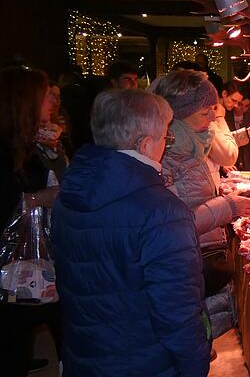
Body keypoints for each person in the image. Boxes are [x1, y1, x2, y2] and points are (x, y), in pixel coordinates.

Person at [52, 89, 211, 377]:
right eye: (166, 137)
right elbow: (177, 313)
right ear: (146, 144)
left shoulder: (70, 193)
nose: (167, 144)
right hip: (147, 363)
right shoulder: (162, 211)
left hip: (85, 356)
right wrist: (195, 366)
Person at [151, 70, 250, 338]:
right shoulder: (165, 153)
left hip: (199, 257)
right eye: (205, 113)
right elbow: (171, 224)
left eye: (213, 109)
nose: (214, 117)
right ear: (180, 114)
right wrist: (228, 207)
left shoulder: (191, 143)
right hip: (185, 263)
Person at [0, 66, 60, 376]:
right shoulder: (7, 150)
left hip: (29, 259)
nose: (51, 100)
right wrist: (37, 198)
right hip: (12, 263)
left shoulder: (33, 142)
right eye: (44, 95)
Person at [224, 85, 250, 171]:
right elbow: (223, 141)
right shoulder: (223, 115)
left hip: (249, 164)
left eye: (246, 106)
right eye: (239, 104)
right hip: (228, 160)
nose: (242, 108)